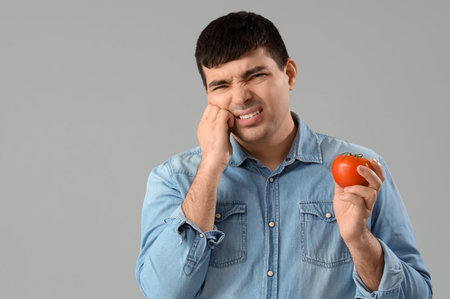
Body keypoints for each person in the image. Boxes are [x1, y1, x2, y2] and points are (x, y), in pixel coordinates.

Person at [136, 11, 432, 299]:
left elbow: (418, 294)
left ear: (289, 74)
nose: (240, 97)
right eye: (221, 85)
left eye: (255, 75)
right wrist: (210, 168)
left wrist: (359, 241)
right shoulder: (174, 179)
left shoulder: (361, 170)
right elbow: (163, 292)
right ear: (208, 95)